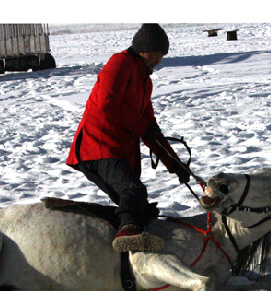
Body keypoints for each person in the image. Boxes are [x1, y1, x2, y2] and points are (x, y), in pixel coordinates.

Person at [66, 23, 190, 253]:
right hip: (97, 146)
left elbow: (149, 128)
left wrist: (175, 164)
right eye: (155, 54)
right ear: (143, 49)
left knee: (138, 206)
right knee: (133, 190)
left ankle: (117, 241)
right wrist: (144, 125)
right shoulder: (120, 63)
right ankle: (128, 240)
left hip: (114, 150)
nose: (158, 60)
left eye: (161, 55)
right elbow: (107, 102)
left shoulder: (145, 80)